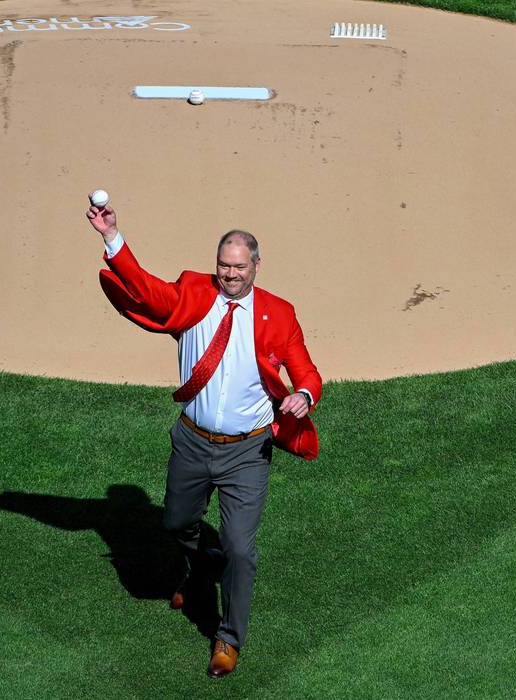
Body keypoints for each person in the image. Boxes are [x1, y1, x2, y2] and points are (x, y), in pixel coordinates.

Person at [86, 201, 323, 678]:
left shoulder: (279, 313)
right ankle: (198, 562)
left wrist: (302, 395)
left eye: (239, 267)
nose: (230, 275)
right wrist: (113, 237)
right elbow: (146, 290)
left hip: (247, 452)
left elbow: (307, 372)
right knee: (175, 524)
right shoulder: (194, 292)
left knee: (240, 548)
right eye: (223, 266)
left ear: (256, 265)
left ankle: (228, 639)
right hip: (192, 442)